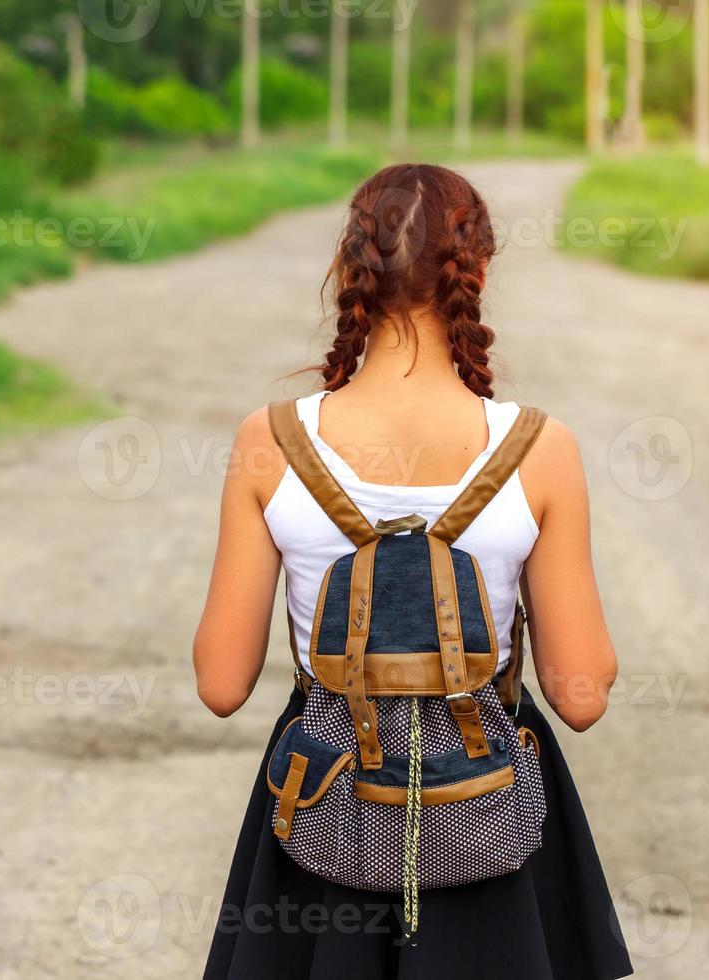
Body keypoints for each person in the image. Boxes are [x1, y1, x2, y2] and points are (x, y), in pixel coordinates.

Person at [193, 163, 633, 980]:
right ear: (480, 270)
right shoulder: (542, 450)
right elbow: (581, 698)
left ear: (351, 267)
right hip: (486, 820)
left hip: (325, 816)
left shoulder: (269, 440)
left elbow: (221, 684)